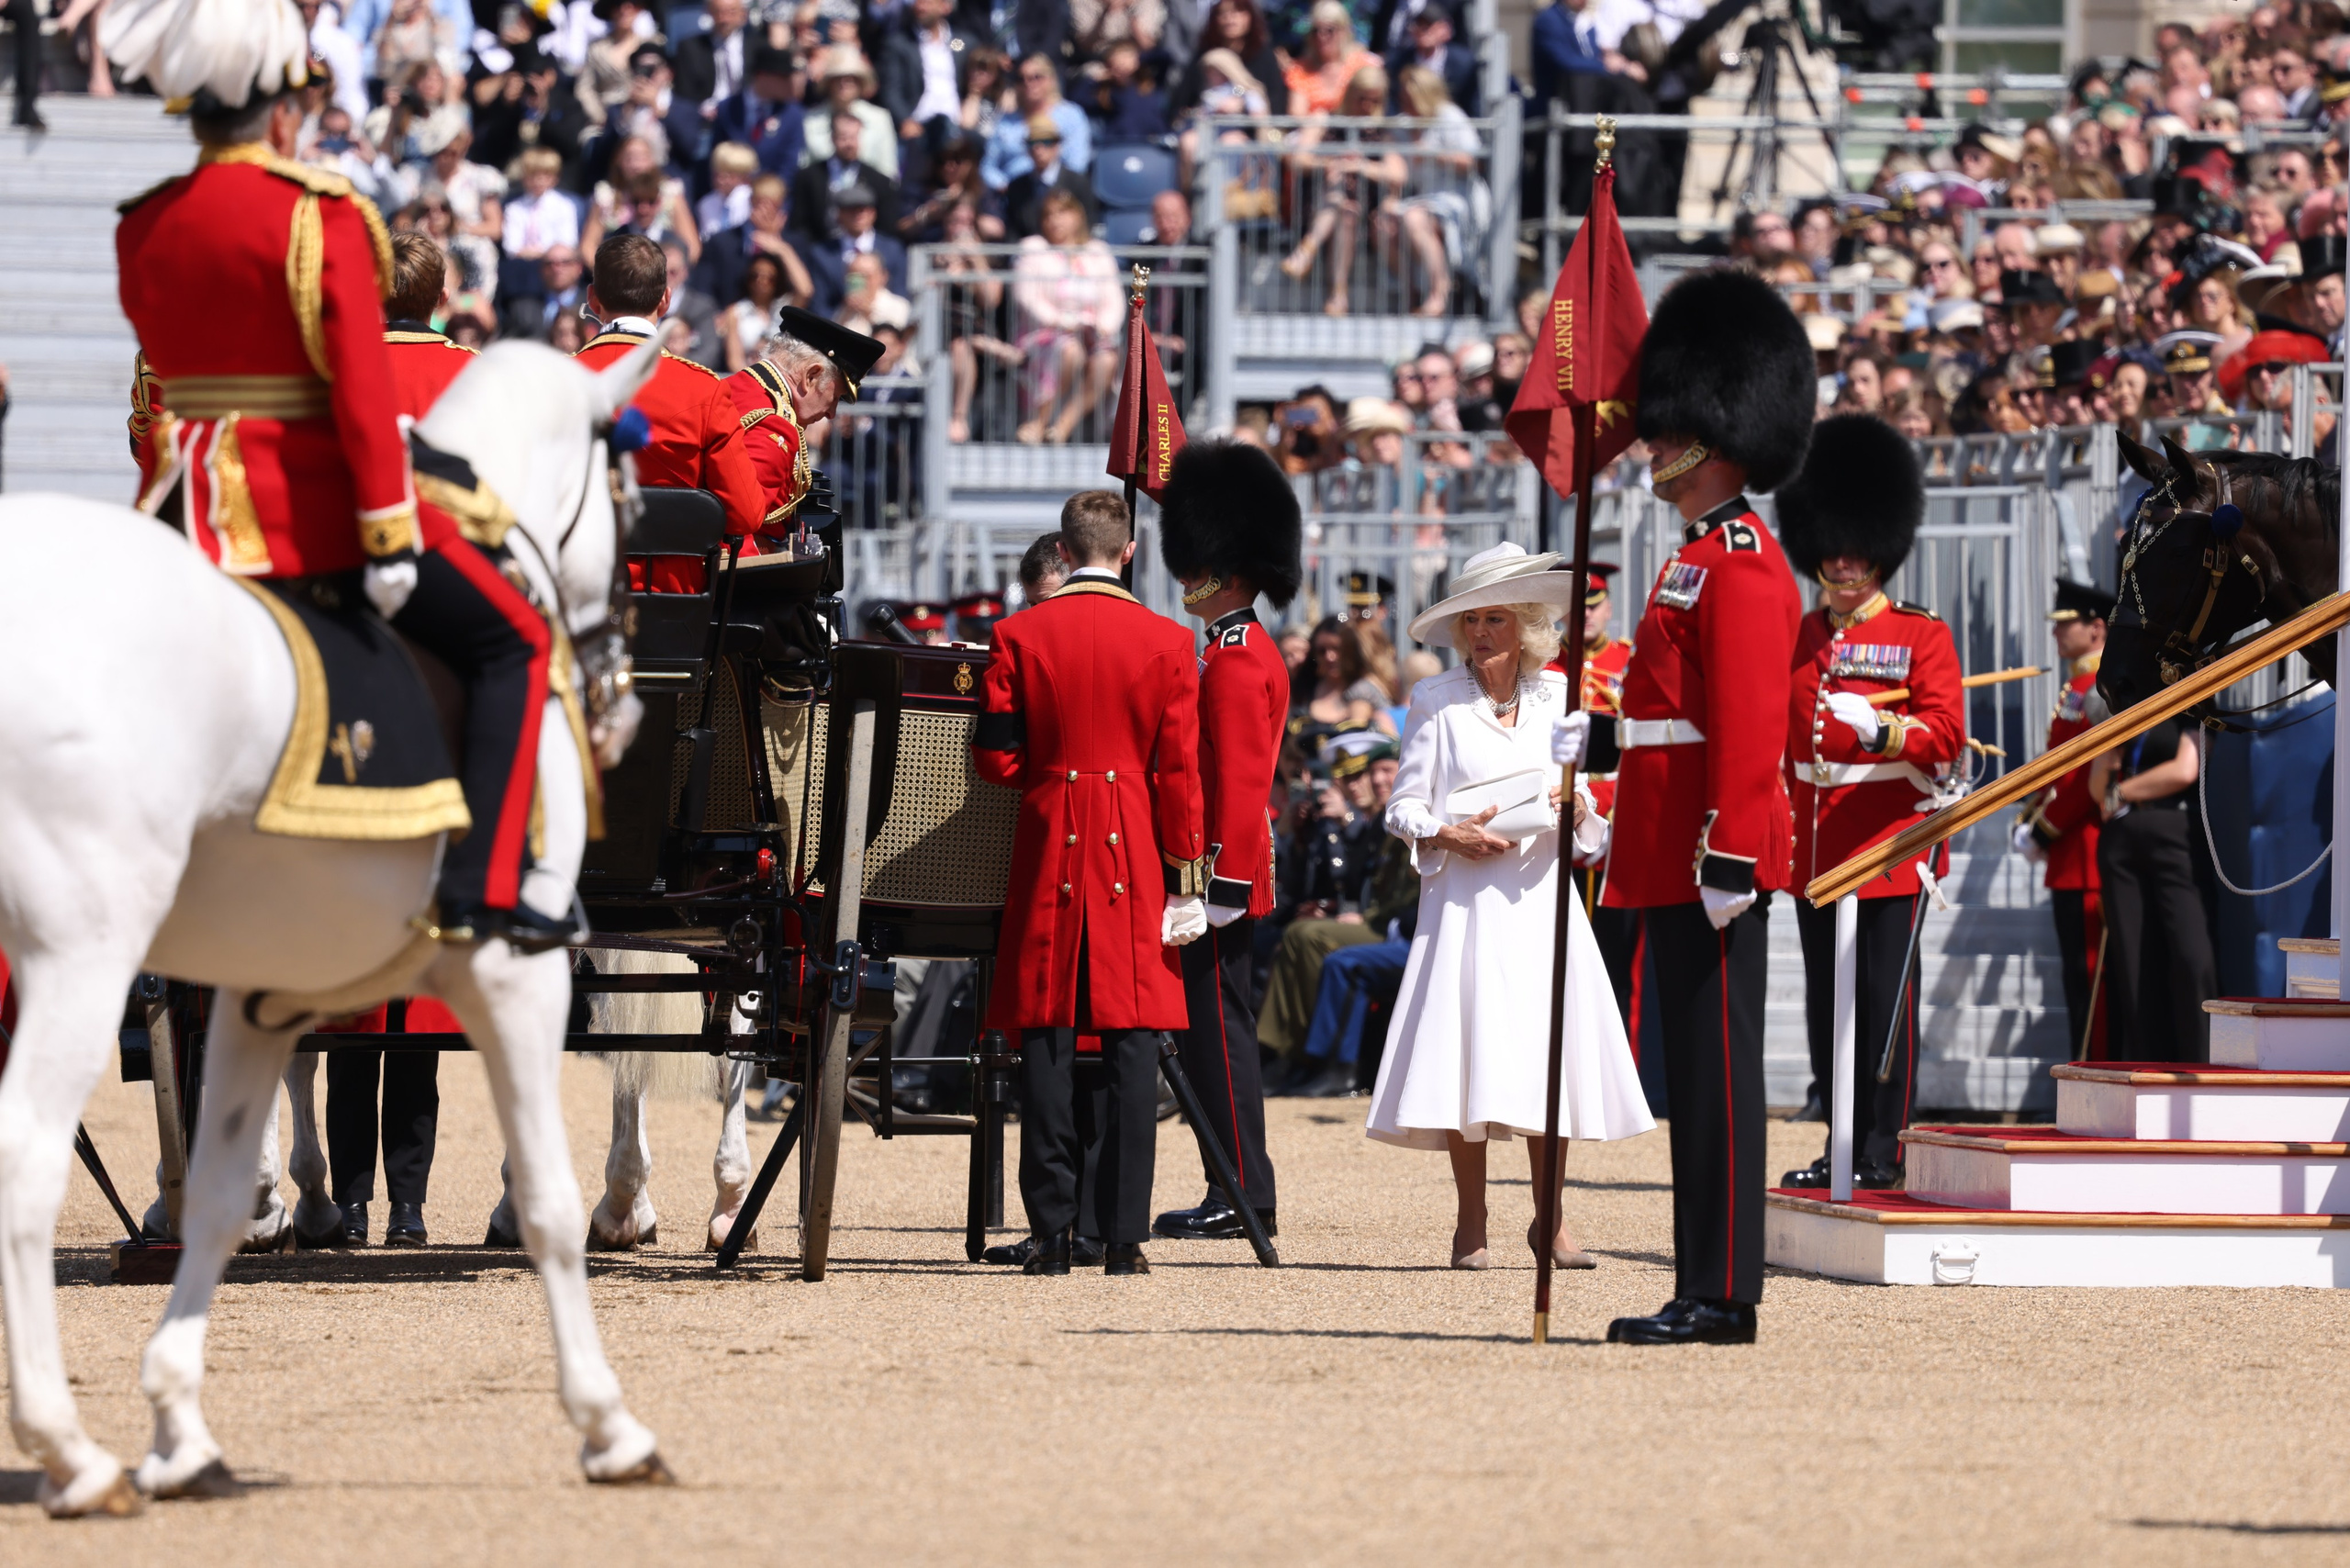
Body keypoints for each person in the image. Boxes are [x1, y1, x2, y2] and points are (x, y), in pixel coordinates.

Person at [111, 32, 568, 957]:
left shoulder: (145, 219)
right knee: (511, 640)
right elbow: (360, 391)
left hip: (175, 503)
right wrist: (389, 532)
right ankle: (479, 892)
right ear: (282, 110)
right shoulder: (321, 214)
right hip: (296, 500)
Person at [1557, 269, 1813, 1346]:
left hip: (1707, 853)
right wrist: (1602, 740)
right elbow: (1678, 715)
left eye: (1671, 433)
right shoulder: (1697, 560)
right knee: (1691, 1079)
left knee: (1715, 1077)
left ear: (1718, 436)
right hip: (1662, 841)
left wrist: (1733, 854)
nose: (1652, 447)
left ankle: (1721, 1290)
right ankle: (1702, 1280)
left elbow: (1751, 729)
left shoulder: (1745, 565)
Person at [1369, 543, 1653, 1270]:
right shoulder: (1435, 700)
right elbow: (1403, 805)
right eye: (1471, 620)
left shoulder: (1562, 695)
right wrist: (1444, 832)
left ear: (1526, 625)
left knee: (1545, 1061)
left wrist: (1573, 802)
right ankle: (1472, 1222)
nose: (1481, 632)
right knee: (1469, 1059)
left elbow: (1586, 807)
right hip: (1465, 904)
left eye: (1496, 618)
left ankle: (1550, 1223)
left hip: (1540, 900)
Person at [969, 491, 1210, 1276]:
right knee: (1133, 1040)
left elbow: (995, 760)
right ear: (1129, 551)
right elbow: (1179, 773)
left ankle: (1049, 1233)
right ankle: (1123, 1237)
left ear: (1066, 554)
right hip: (1133, 846)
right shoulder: (1172, 641)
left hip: (1051, 837)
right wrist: (1187, 876)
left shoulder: (1017, 632)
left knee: (1044, 1035)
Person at [1774, 415, 1964, 1191]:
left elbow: (1947, 736)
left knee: (1883, 1001)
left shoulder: (1921, 636)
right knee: (1828, 1005)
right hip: (1817, 845)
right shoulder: (1797, 633)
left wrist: (1886, 731)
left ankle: (1887, 1143)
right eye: (1832, 548)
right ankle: (1842, 1139)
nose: (1843, 562)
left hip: (1887, 845)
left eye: (1857, 550)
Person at [1150, 442, 1304, 1245]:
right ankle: (1231, 1182)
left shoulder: (1238, 662)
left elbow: (1241, 788)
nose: (1188, 582)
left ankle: (1241, 1189)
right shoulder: (1227, 650)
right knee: (1210, 1034)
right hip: (1216, 871)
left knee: (1220, 1036)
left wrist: (1224, 888)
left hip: (1218, 874)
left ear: (1229, 569)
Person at [575, 235, 767, 590]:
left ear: (592, 298)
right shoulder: (702, 388)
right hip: (674, 603)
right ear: (665, 299)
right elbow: (747, 513)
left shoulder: (552, 382)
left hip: (577, 597)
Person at [2016, 579, 2111, 1059]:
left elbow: (2085, 773)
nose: (2056, 634)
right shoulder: (2077, 684)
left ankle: (2094, 1071)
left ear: (2097, 628)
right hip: (2069, 855)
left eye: (2065, 624)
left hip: (2086, 849)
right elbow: (2057, 763)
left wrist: (2044, 827)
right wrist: (2031, 812)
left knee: (2091, 977)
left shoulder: (2100, 686)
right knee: (2076, 976)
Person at [2089, 714, 2216, 1063]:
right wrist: (2105, 761)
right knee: (2134, 963)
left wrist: (2121, 791)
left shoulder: (2192, 695)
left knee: (2193, 954)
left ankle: (2201, 1066)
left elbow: (2185, 769)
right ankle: (2149, 1070)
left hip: (2174, 829)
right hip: (2122, 839)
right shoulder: (2124, 702)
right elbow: (2097, 793)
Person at [723, 304, 883, 532]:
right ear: (811, 376)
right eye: (835, 396)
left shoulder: (732, 389)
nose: (832, 413)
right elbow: (744, 532)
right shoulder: (772, 424)